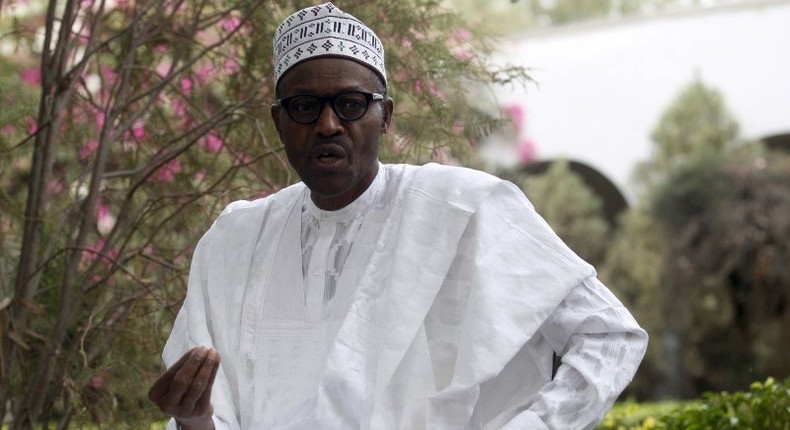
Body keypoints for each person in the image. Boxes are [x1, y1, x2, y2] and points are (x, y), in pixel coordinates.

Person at [148, 3, 648, 429]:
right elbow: (205, 416)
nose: (328, 125)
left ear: (384, 115)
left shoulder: (464, 207)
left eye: (350, 104)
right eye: (304, 107)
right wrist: (194, 420)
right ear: (279, 121)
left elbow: (608, 336)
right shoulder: (235, 240)